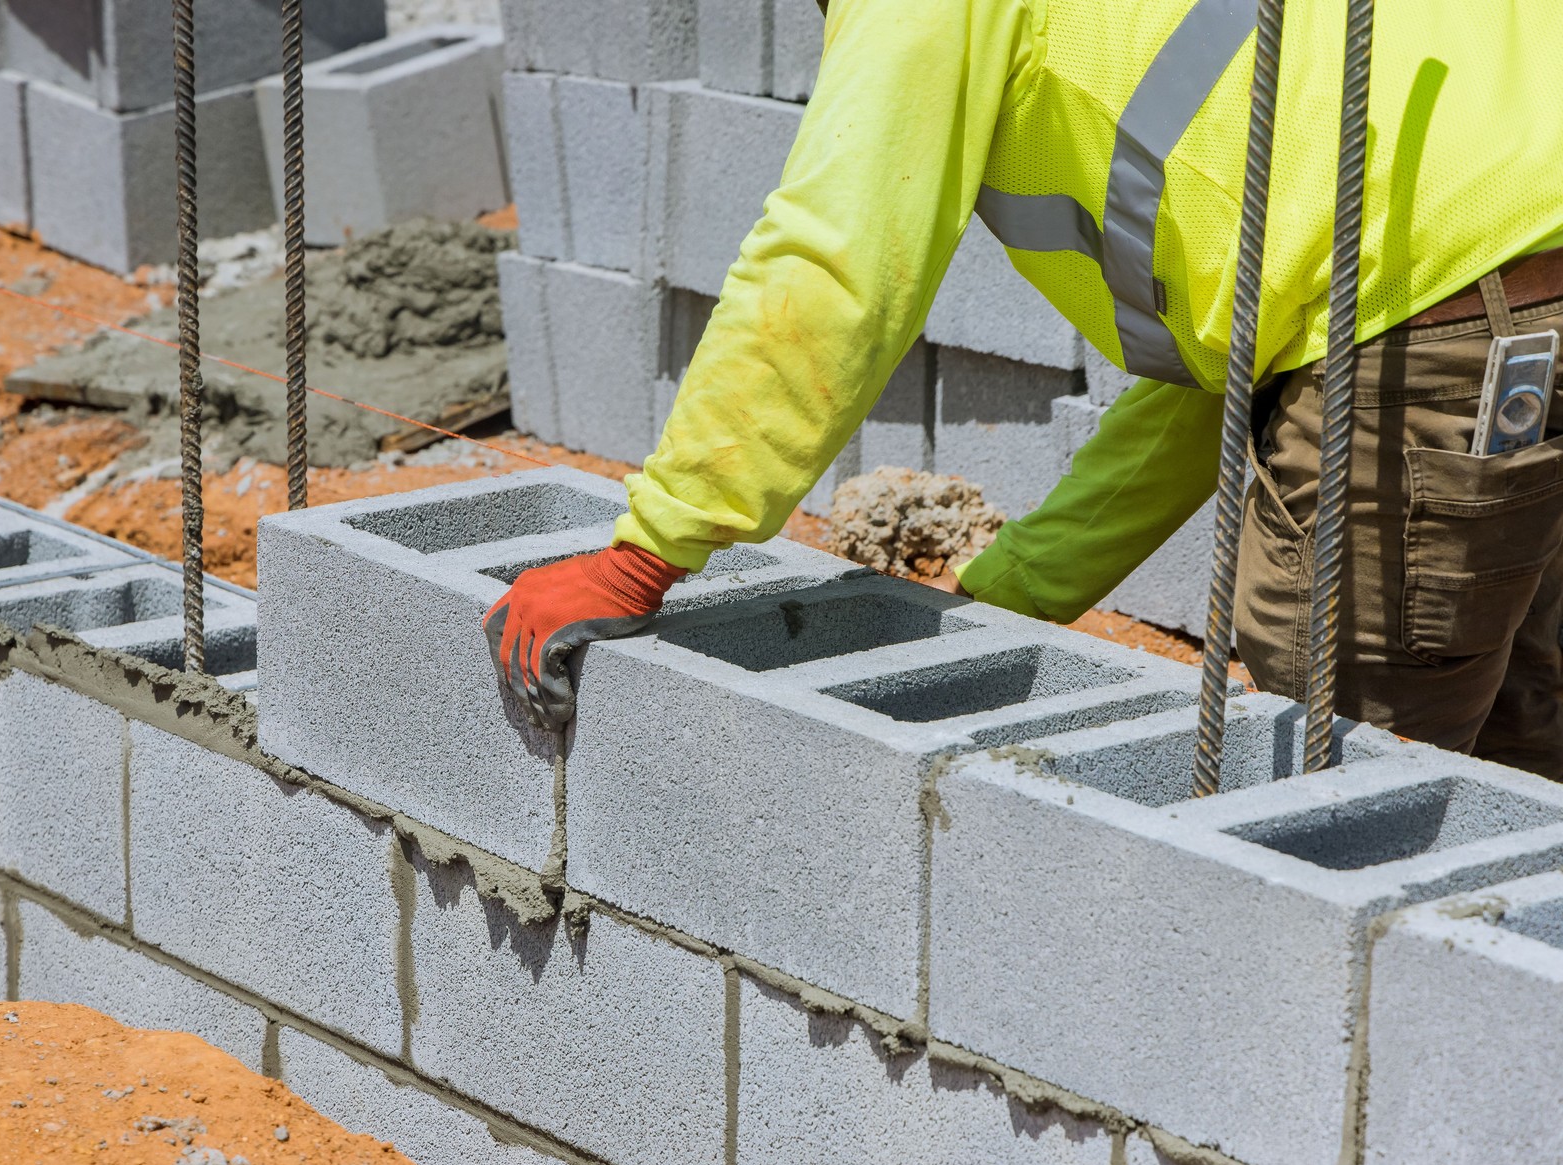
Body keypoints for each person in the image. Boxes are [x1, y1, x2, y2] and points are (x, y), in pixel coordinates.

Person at [482, 0, 1563, 776]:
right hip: (1493, 278)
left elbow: (835, 263)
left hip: (1449, 326)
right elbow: (1219, 382)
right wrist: (1015, 594)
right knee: (1521, 742)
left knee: (1346, 803)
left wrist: (647, 552)